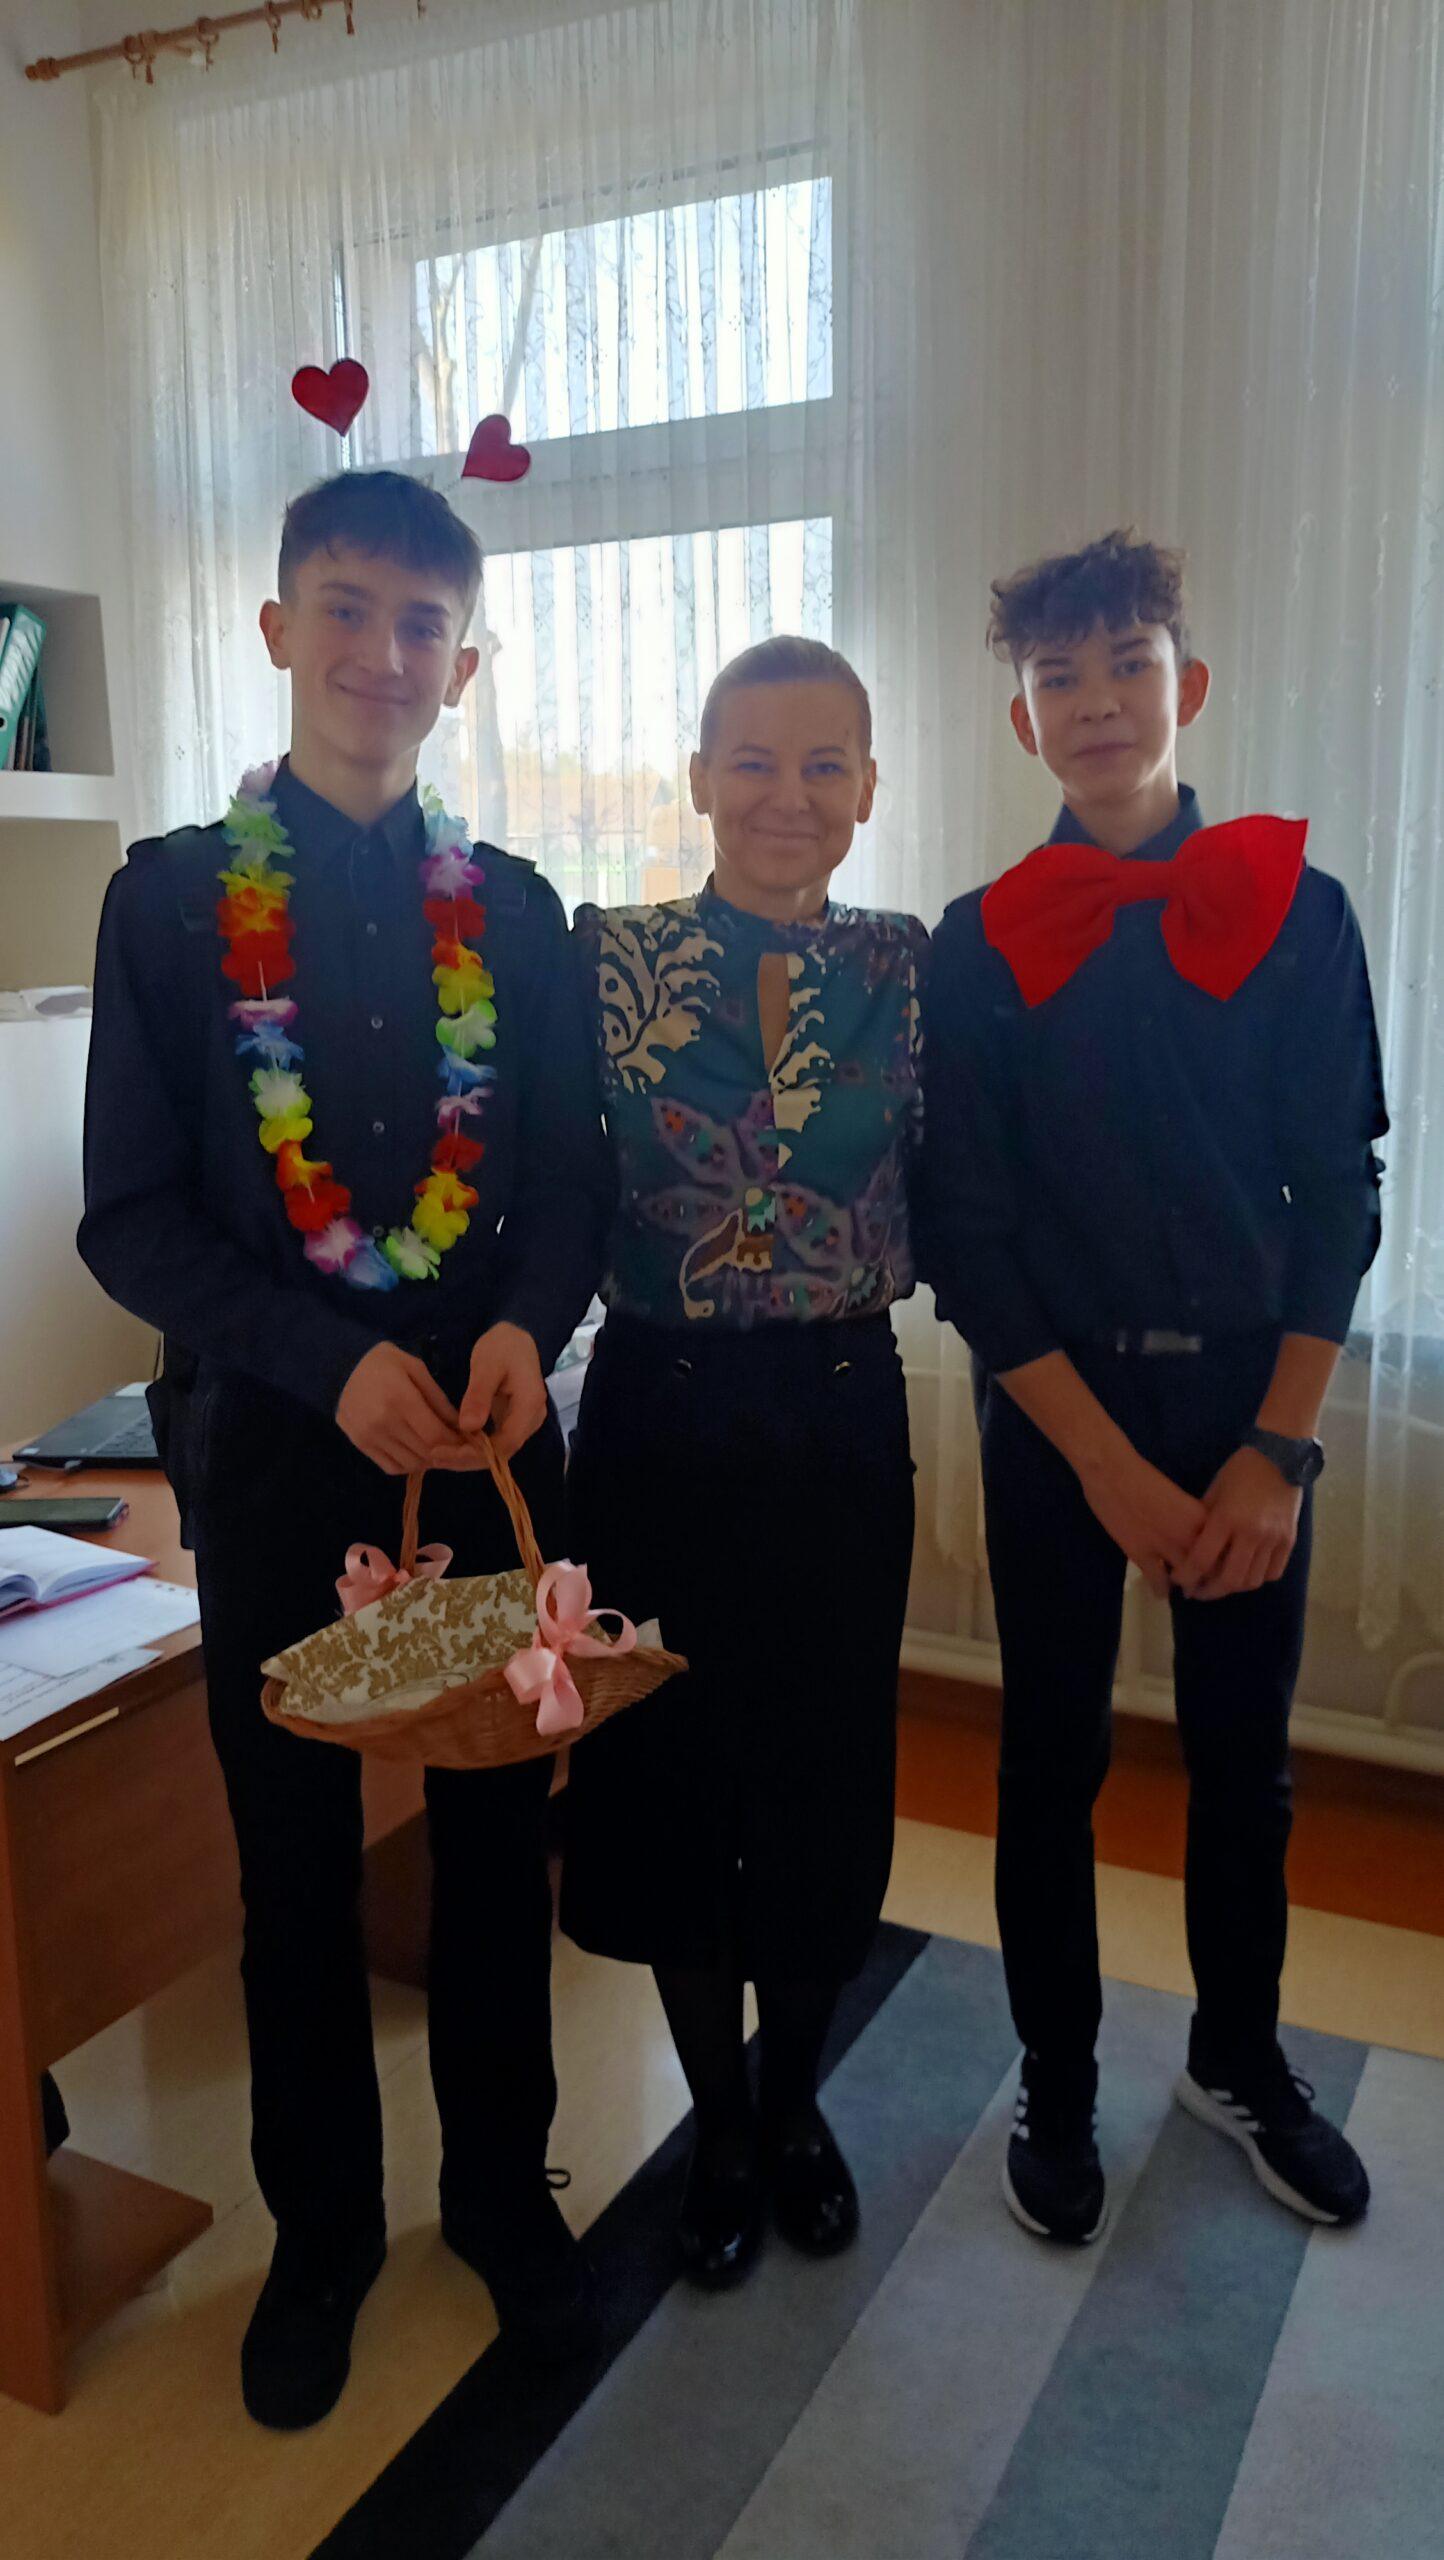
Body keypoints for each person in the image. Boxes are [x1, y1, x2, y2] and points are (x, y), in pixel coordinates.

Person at [79, 470, 612, 2427]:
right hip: (281, 1462)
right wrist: (326, 1363)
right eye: (348, 608)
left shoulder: (520, 913)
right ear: (279, 629)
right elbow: (130, 1217)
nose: (384, 653)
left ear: (463, 662)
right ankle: (322, 2239)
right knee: (295, 1871)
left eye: (422, 624)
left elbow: (570, 1183)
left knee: (491, 1847)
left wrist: (519, 1322)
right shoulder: (166, 903)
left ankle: (500, 2197)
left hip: (483, 1445)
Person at [919, 530, 1387, 2245]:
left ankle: (1238, 2059)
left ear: (1184, 686)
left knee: (1246, 1764)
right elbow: (968, 1241)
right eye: (1060, 677)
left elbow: (1339, 1199)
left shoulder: (1299, 911)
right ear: (1023, 719)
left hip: (1251, 1414)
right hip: (1059, 1418)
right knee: (1046, 1760)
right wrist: (1108, 1468)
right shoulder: (977, 945)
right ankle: (1056, 2074)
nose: (1098, 701)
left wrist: (1278, 1451)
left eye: (1128, 665)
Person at [562, 636, 925, 2289]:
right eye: (754, 762)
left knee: (822, 1773)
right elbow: (545, 1188)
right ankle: (716, 2120)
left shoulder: (913, 970)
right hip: (661, 1414)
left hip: (843, 1410)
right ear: (699, 777)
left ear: (868, 787)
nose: (789, 795)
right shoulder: (607, 960)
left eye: (824, 764)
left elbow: (979, 1186)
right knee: (671, 1777)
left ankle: (795, 2106)